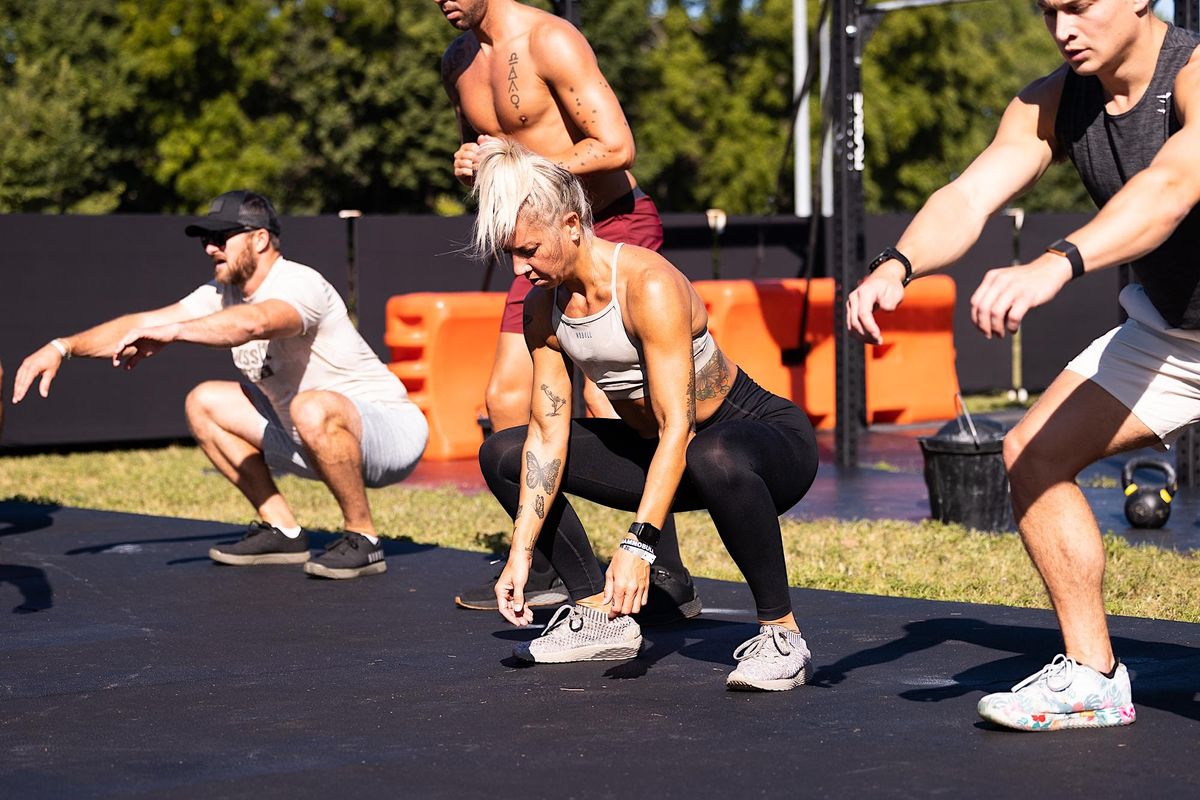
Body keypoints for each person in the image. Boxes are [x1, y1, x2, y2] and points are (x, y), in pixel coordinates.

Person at [847, 2, 1200, 729]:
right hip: (1176, 333)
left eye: (1079, 6)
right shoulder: (1056, 99)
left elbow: (1171, 187)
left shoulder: (1193, 74)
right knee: (1032, 452)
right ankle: (1093, 676)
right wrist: (897, 264)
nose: (1063, 27)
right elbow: (970, 194)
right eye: (1049, 11)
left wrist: (1057, 262)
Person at [472, 141, 819, 690]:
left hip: (759, 443)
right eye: (510, 254)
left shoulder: (647, 283)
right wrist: (520, 552)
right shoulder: (544, 307)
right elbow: (547, 430)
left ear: (570, 225)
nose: (520, 268)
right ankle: (594, 614)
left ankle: (782, 633)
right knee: (504, 452)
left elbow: (679, 425)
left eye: (529, 250)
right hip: (667, 454)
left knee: (713, 451)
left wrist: (638, 546)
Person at [437, 0, 699, 623]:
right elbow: (488, 161)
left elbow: (616, 146)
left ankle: (664, 567)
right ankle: (561, 571)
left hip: (608, 223)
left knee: (616, 399)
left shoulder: (551, 40)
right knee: (506, 402)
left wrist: (524, 169)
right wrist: (473, 166)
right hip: (539, 243)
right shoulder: (456, 63)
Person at [12, 191, 428, 579]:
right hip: (309, 435)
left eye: (221, 237)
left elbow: (258, 322)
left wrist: (174, 332)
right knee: (205, 401)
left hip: (389, 433)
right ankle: (281, 530)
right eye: (206, 239)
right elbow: (141, 323)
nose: (210, 247)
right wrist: (62, 346)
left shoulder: (298, 282)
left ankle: (364, 537)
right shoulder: (221, 292)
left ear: (261, 239)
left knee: (310, 405)